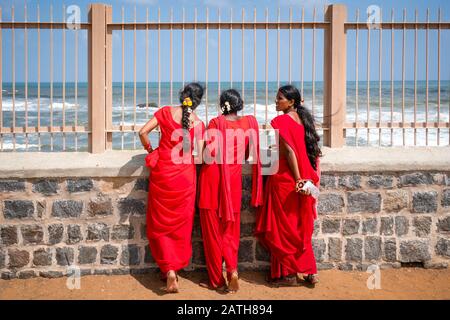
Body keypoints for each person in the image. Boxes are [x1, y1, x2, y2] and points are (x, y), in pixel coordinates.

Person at [139, 82, 205, 293]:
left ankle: (167, 270)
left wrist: (152, 149)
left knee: (160, 224)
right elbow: (199, 156)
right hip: (185, 178)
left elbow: (142, 132)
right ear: (198, 101)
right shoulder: (199, 124)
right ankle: (174, 268)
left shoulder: (165, 112)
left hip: (163, 174)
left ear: (181, 95)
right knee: (180, 227)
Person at [255, 85, 322, 287]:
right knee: (298, 227)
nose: (276, 101)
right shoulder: (302, 120)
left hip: (286, 179)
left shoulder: (281, 120)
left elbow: (291, 151)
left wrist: (297, 178)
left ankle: (287, 275)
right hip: (302, 178)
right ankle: (310, 270)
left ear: (291, 102)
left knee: (282, 229)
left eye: (280, 98)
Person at [197, 89, 263, 293]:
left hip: (211, 181)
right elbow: (249, 155)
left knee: (212, 232)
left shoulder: (216, 124)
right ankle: (232, 270)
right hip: (232, 182)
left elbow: (207, 155)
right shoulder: (250, 124)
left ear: (222, 105)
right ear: (239, 104)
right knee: (230, 231)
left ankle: (216, 280)